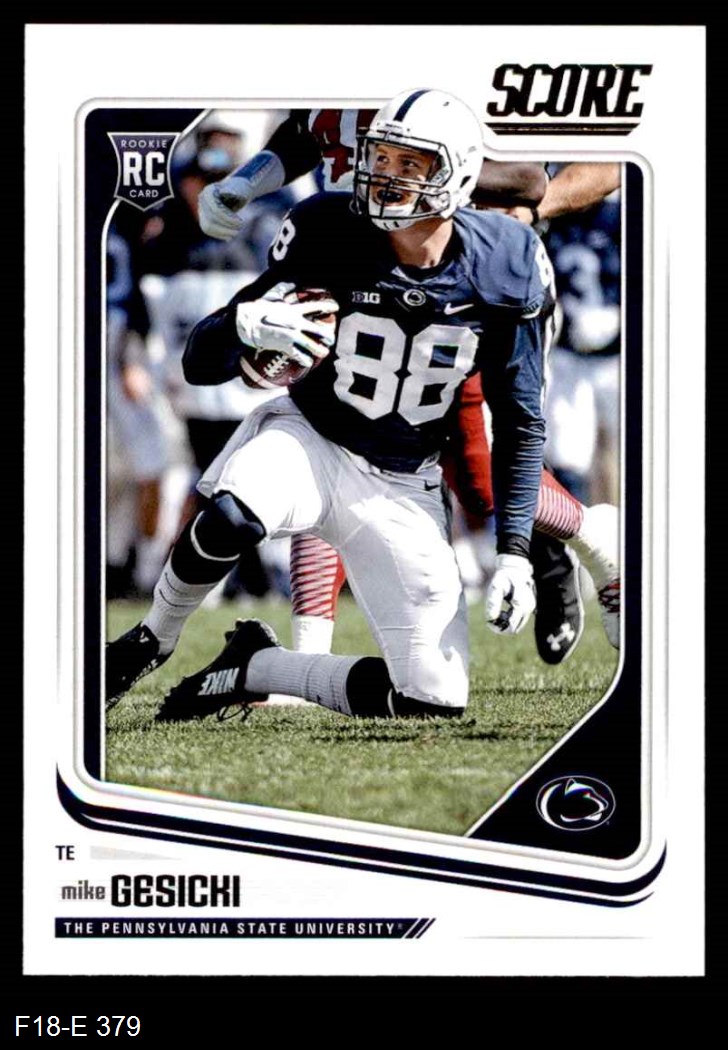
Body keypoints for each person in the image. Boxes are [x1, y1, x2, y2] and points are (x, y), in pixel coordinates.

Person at [106, 88, 615, 722]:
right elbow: (198, 362)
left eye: (411, 164)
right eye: (381, 159)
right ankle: (153, 637)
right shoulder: (327, 226)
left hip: (405, 478)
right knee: (234, 514)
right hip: (313, 437)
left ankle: (259, 667)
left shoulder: (506, 260)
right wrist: (242, 323)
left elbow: (519, 420)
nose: (386, 178)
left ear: (459, 174)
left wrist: (513, 551)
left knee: (433, 699)